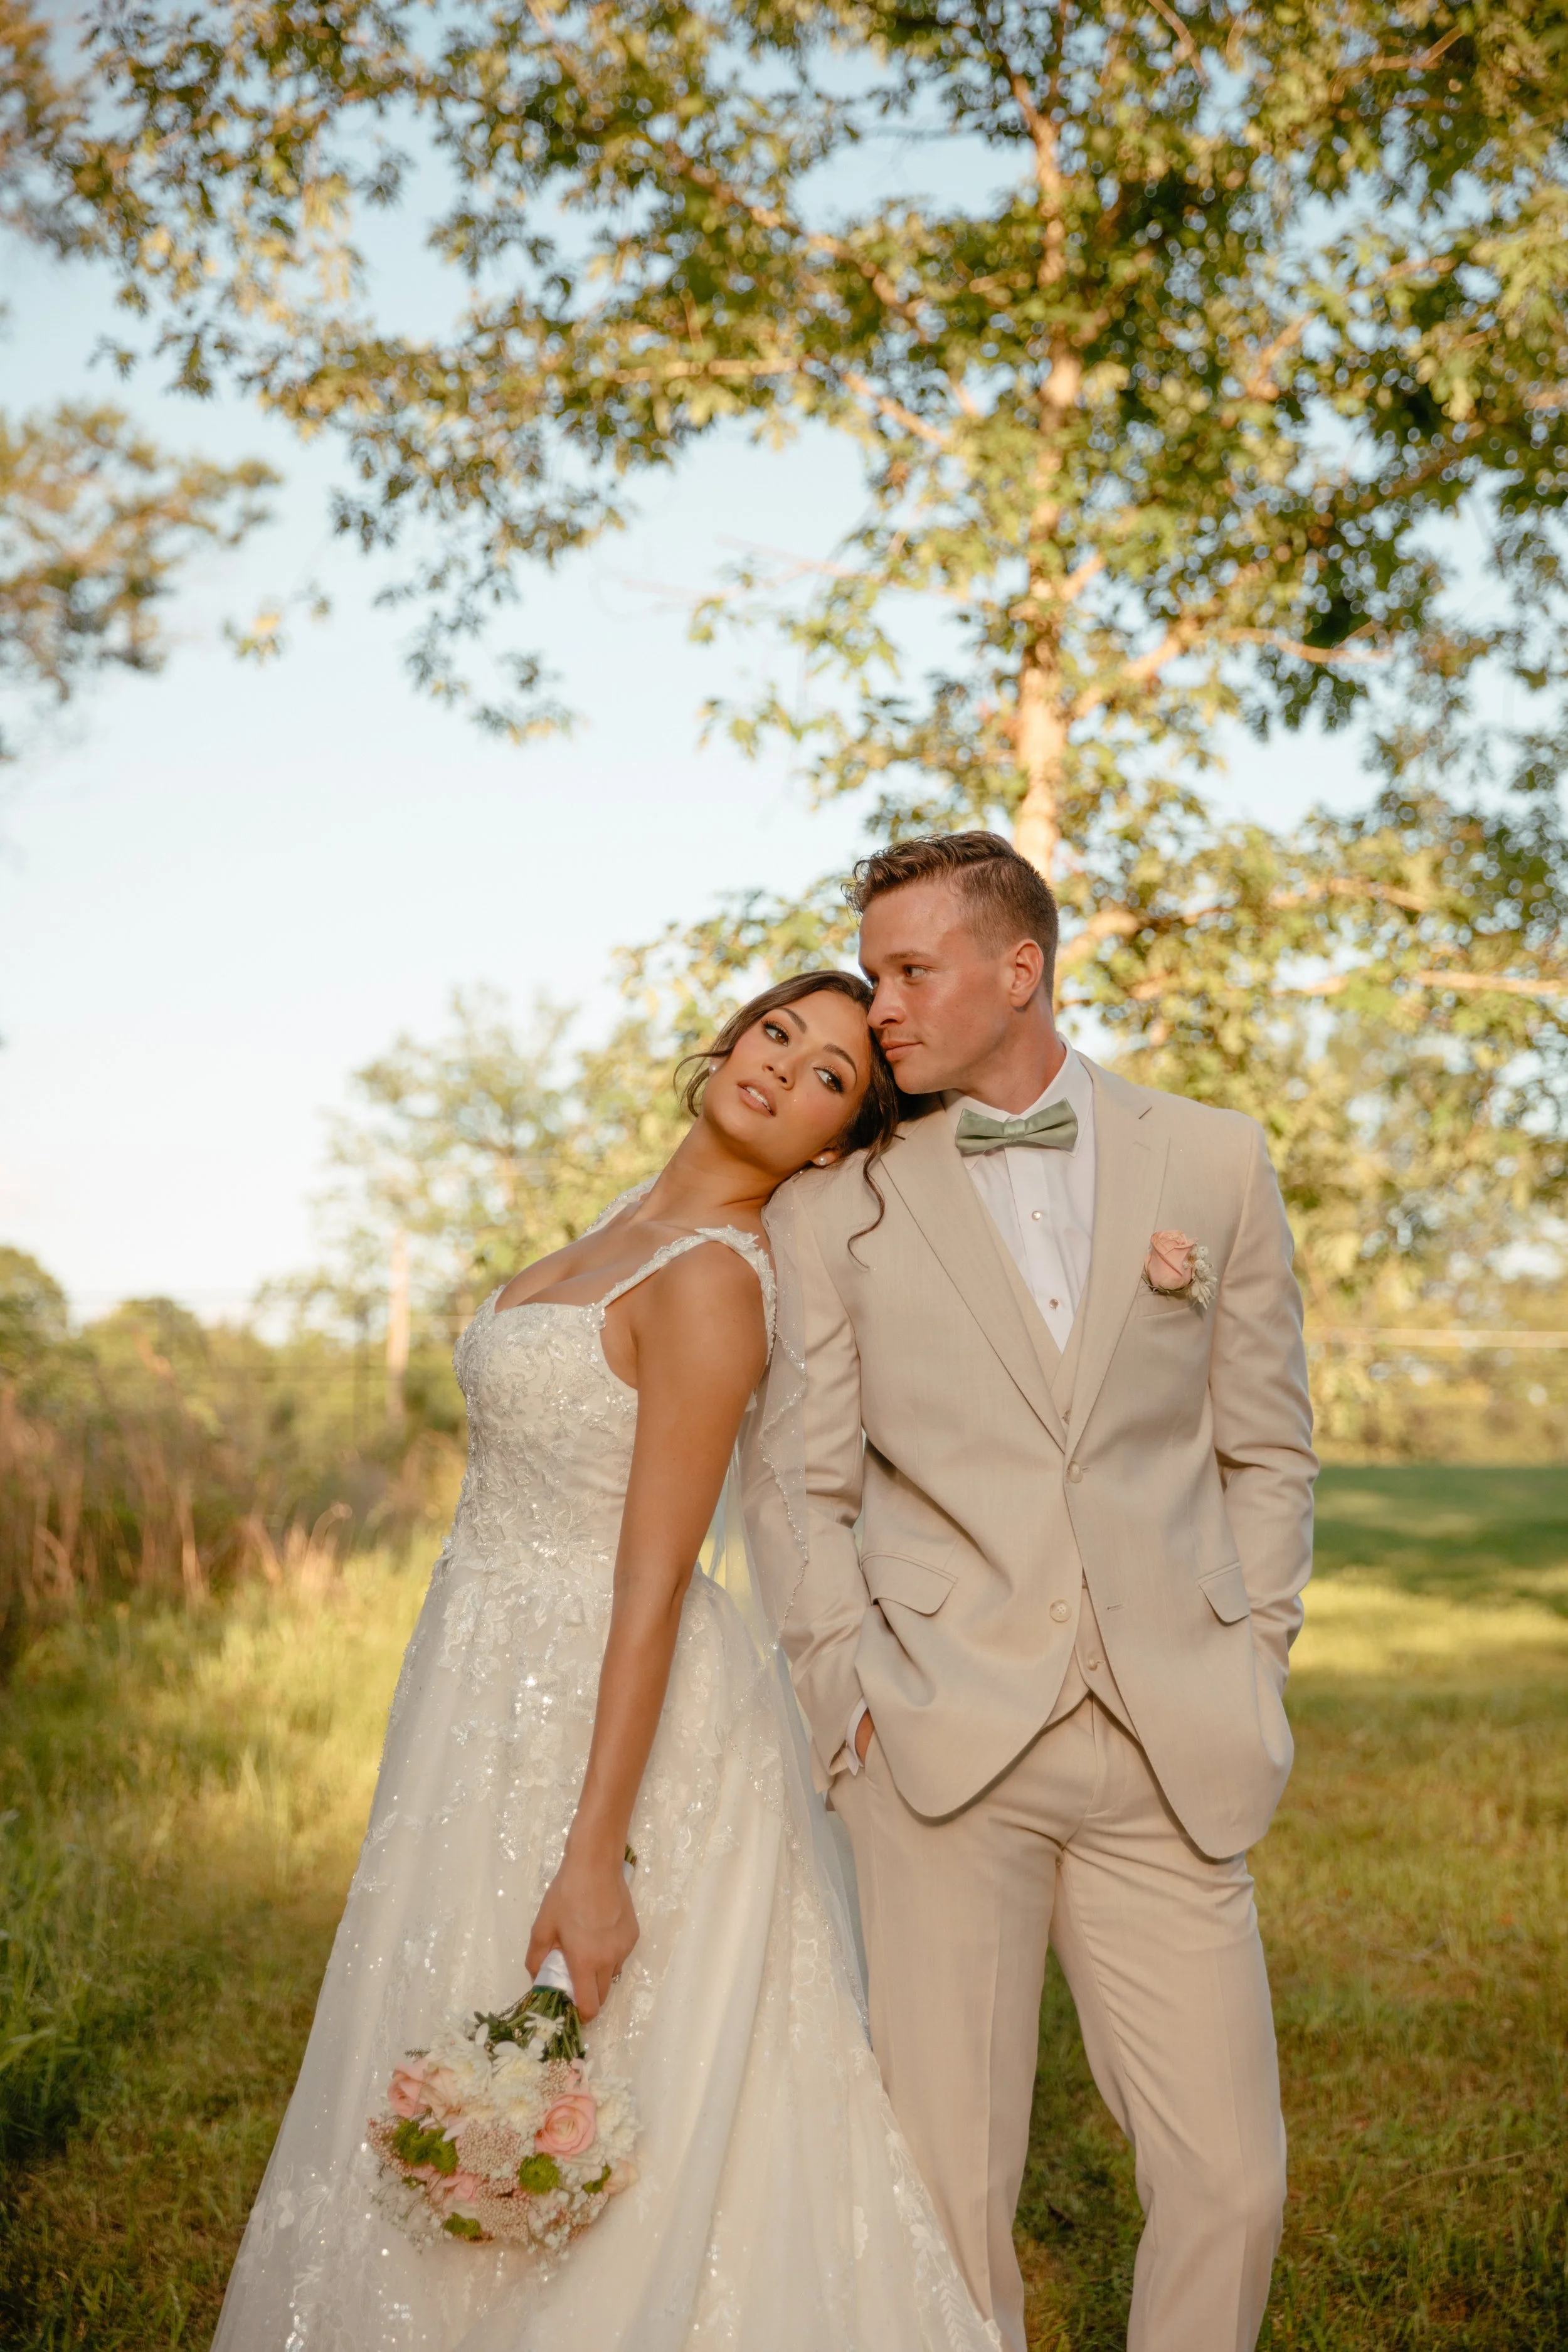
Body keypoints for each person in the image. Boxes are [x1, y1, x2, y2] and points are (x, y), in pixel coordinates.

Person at [209, 969, 1000, 2352]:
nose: (782, 1068)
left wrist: (596, 1856)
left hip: (604, 1700)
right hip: (484, 1678)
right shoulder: (627, 1229)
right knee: (447, 1983)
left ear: (830, 1144)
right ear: (729, 1037)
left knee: (601, 2039)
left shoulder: (707, 1284)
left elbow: (654, 1581)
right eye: (777, 1033)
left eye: (826, 1076)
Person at [745, 833, 1316, 2352]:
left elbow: (1266, 1449)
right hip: (936, 1738)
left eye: (910, 971)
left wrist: (1251, 1654)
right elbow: (799, 1483)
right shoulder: (832, 1207)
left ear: (1021, 971)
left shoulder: (1214, 1159)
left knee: (1234, 2180)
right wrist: (838, 1687)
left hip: (1167, 1732)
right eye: (871, 976)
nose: (878, 1010)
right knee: (944, 2186)